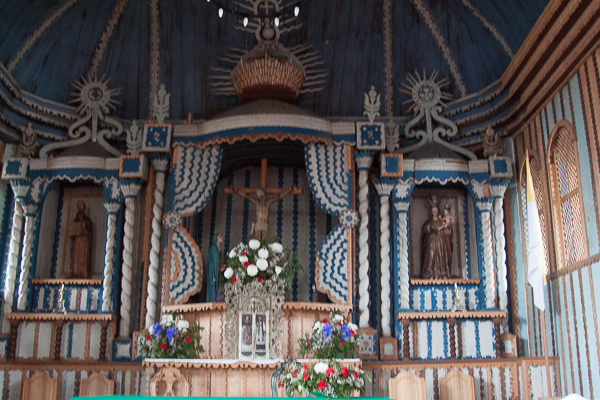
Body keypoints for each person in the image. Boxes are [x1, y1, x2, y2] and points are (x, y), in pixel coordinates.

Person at [229, 186, 297, 239]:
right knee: (257, 244)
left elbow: (279, 197)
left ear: (262, 193)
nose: (258, 196)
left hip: (264, 225)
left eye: (258, 194)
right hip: (258, 225)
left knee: (265, 245)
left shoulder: (267, 203)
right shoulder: (256, 202)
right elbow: (246, 196)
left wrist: (289, 190)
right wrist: (237, 190)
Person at [420, 197, 450, 280]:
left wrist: (446, 232)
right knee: (431, 255)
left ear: (438, 211)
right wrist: (428, 229)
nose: (434, 213)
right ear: (431, 212)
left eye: (436, 211)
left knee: (441, 256)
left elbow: (447, 230)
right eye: (433, 211)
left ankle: (442, 273)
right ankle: (430, 273)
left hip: (440, 242)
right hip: (432, 241)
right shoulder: (428, 222)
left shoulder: (441, 222)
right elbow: (425, 231)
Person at [68, 201, 93, 279]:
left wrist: (84, 227)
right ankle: (75, 272)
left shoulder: (87, 220)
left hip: (84, 241)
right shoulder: (75, 220)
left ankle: (83, 272)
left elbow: (89, 230)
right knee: (76, 257)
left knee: (83, 257)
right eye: (79, 207)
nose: (80, 209)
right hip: (76, 242)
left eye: (81, 207)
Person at [206, 233, 223, 303]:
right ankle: (212, 299)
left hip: (216, 269)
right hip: (213, 269)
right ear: (216, 239)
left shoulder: (217, 248)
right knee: (213, 283)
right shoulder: (214, 248)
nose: (221, 238)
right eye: (220, 237)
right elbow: (215, 261)